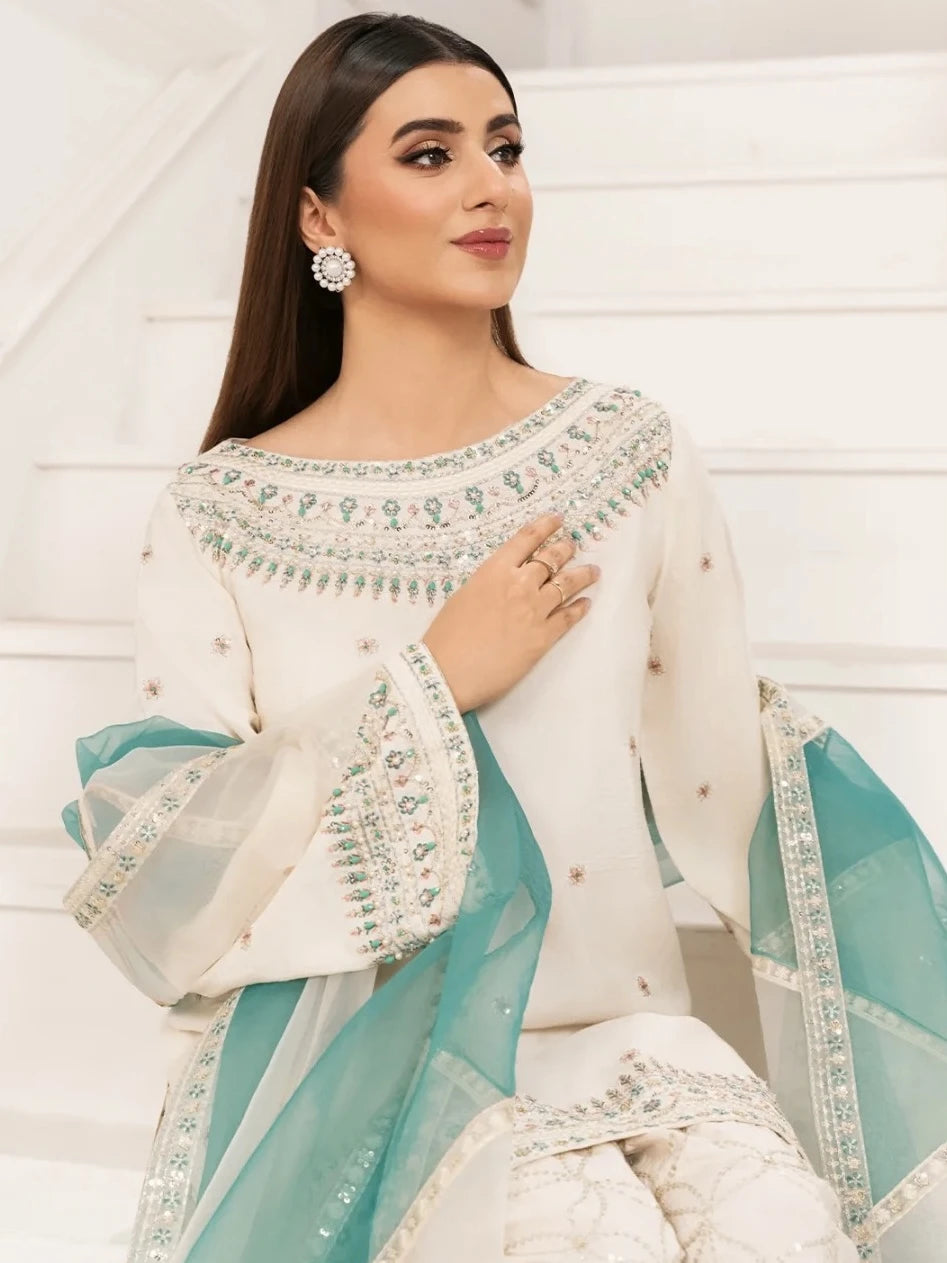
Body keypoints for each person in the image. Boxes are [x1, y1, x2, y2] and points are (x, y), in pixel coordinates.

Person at [61, 13, 947, 1263]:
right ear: (318, 215)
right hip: (374, 1078)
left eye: (507, 147)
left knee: (787, 1237)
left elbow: (733, 782)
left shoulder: (628, 455)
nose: (491, 187)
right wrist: (434, 682)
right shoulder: (223, 515)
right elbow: (174, 875)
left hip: (637, 1045)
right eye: (430, 154)